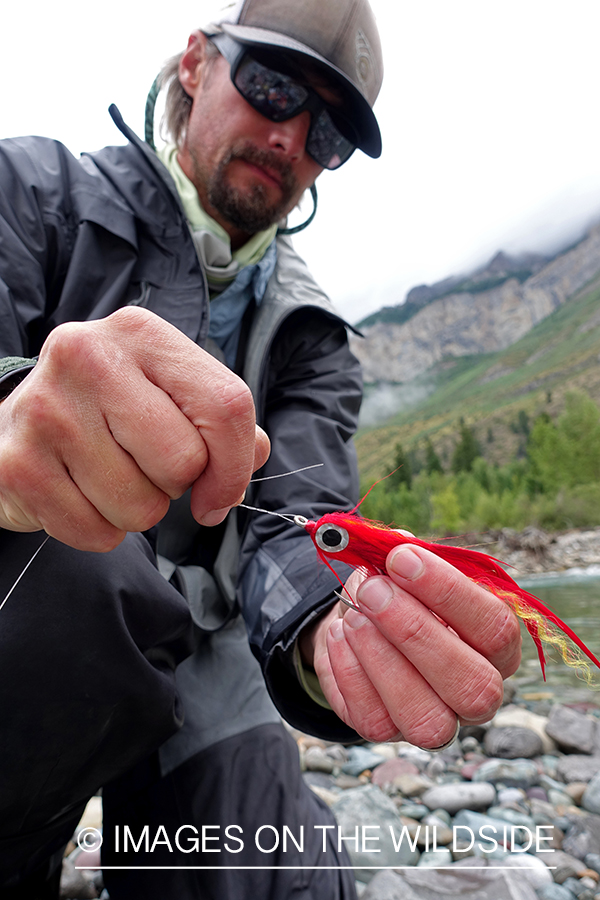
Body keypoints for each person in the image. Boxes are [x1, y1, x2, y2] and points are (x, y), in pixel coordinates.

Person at [0, 0, 522, 896]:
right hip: (39, 609)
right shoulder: (31, 192)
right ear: (197, 64)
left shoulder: (316, 340)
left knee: (282, 875)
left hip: (206, 651)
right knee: (87, 590)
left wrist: (328, 637)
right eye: (272, 87)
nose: (290, 136)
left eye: (328, 131)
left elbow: (305, 523)